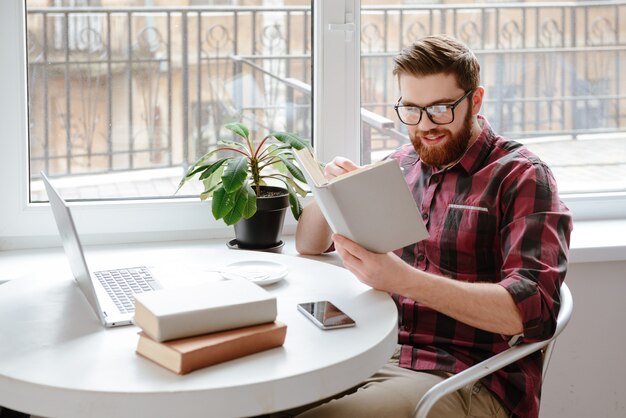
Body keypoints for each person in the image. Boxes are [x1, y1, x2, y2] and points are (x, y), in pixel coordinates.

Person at [292, 34, 573, 418]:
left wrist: (401, 279)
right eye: (411, 109)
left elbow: (531, 313)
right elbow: (309, 245)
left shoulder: (521, 176)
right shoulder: (403, 166)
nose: (426, 126)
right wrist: (330, 191)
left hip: (465, 375)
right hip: (374, 352)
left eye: (441, 108)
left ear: (475, 100)